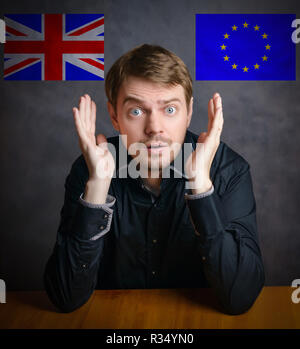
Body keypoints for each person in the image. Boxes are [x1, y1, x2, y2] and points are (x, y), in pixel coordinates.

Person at [43, 44, 265, 315]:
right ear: (114, 116)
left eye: (169, 110)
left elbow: (239, 298)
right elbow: (65, 298)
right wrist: (97, 187)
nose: (154, 128)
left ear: (189, 112)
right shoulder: (91, 169)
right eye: (136, 111)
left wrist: (201, 188)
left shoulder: (229, 170)